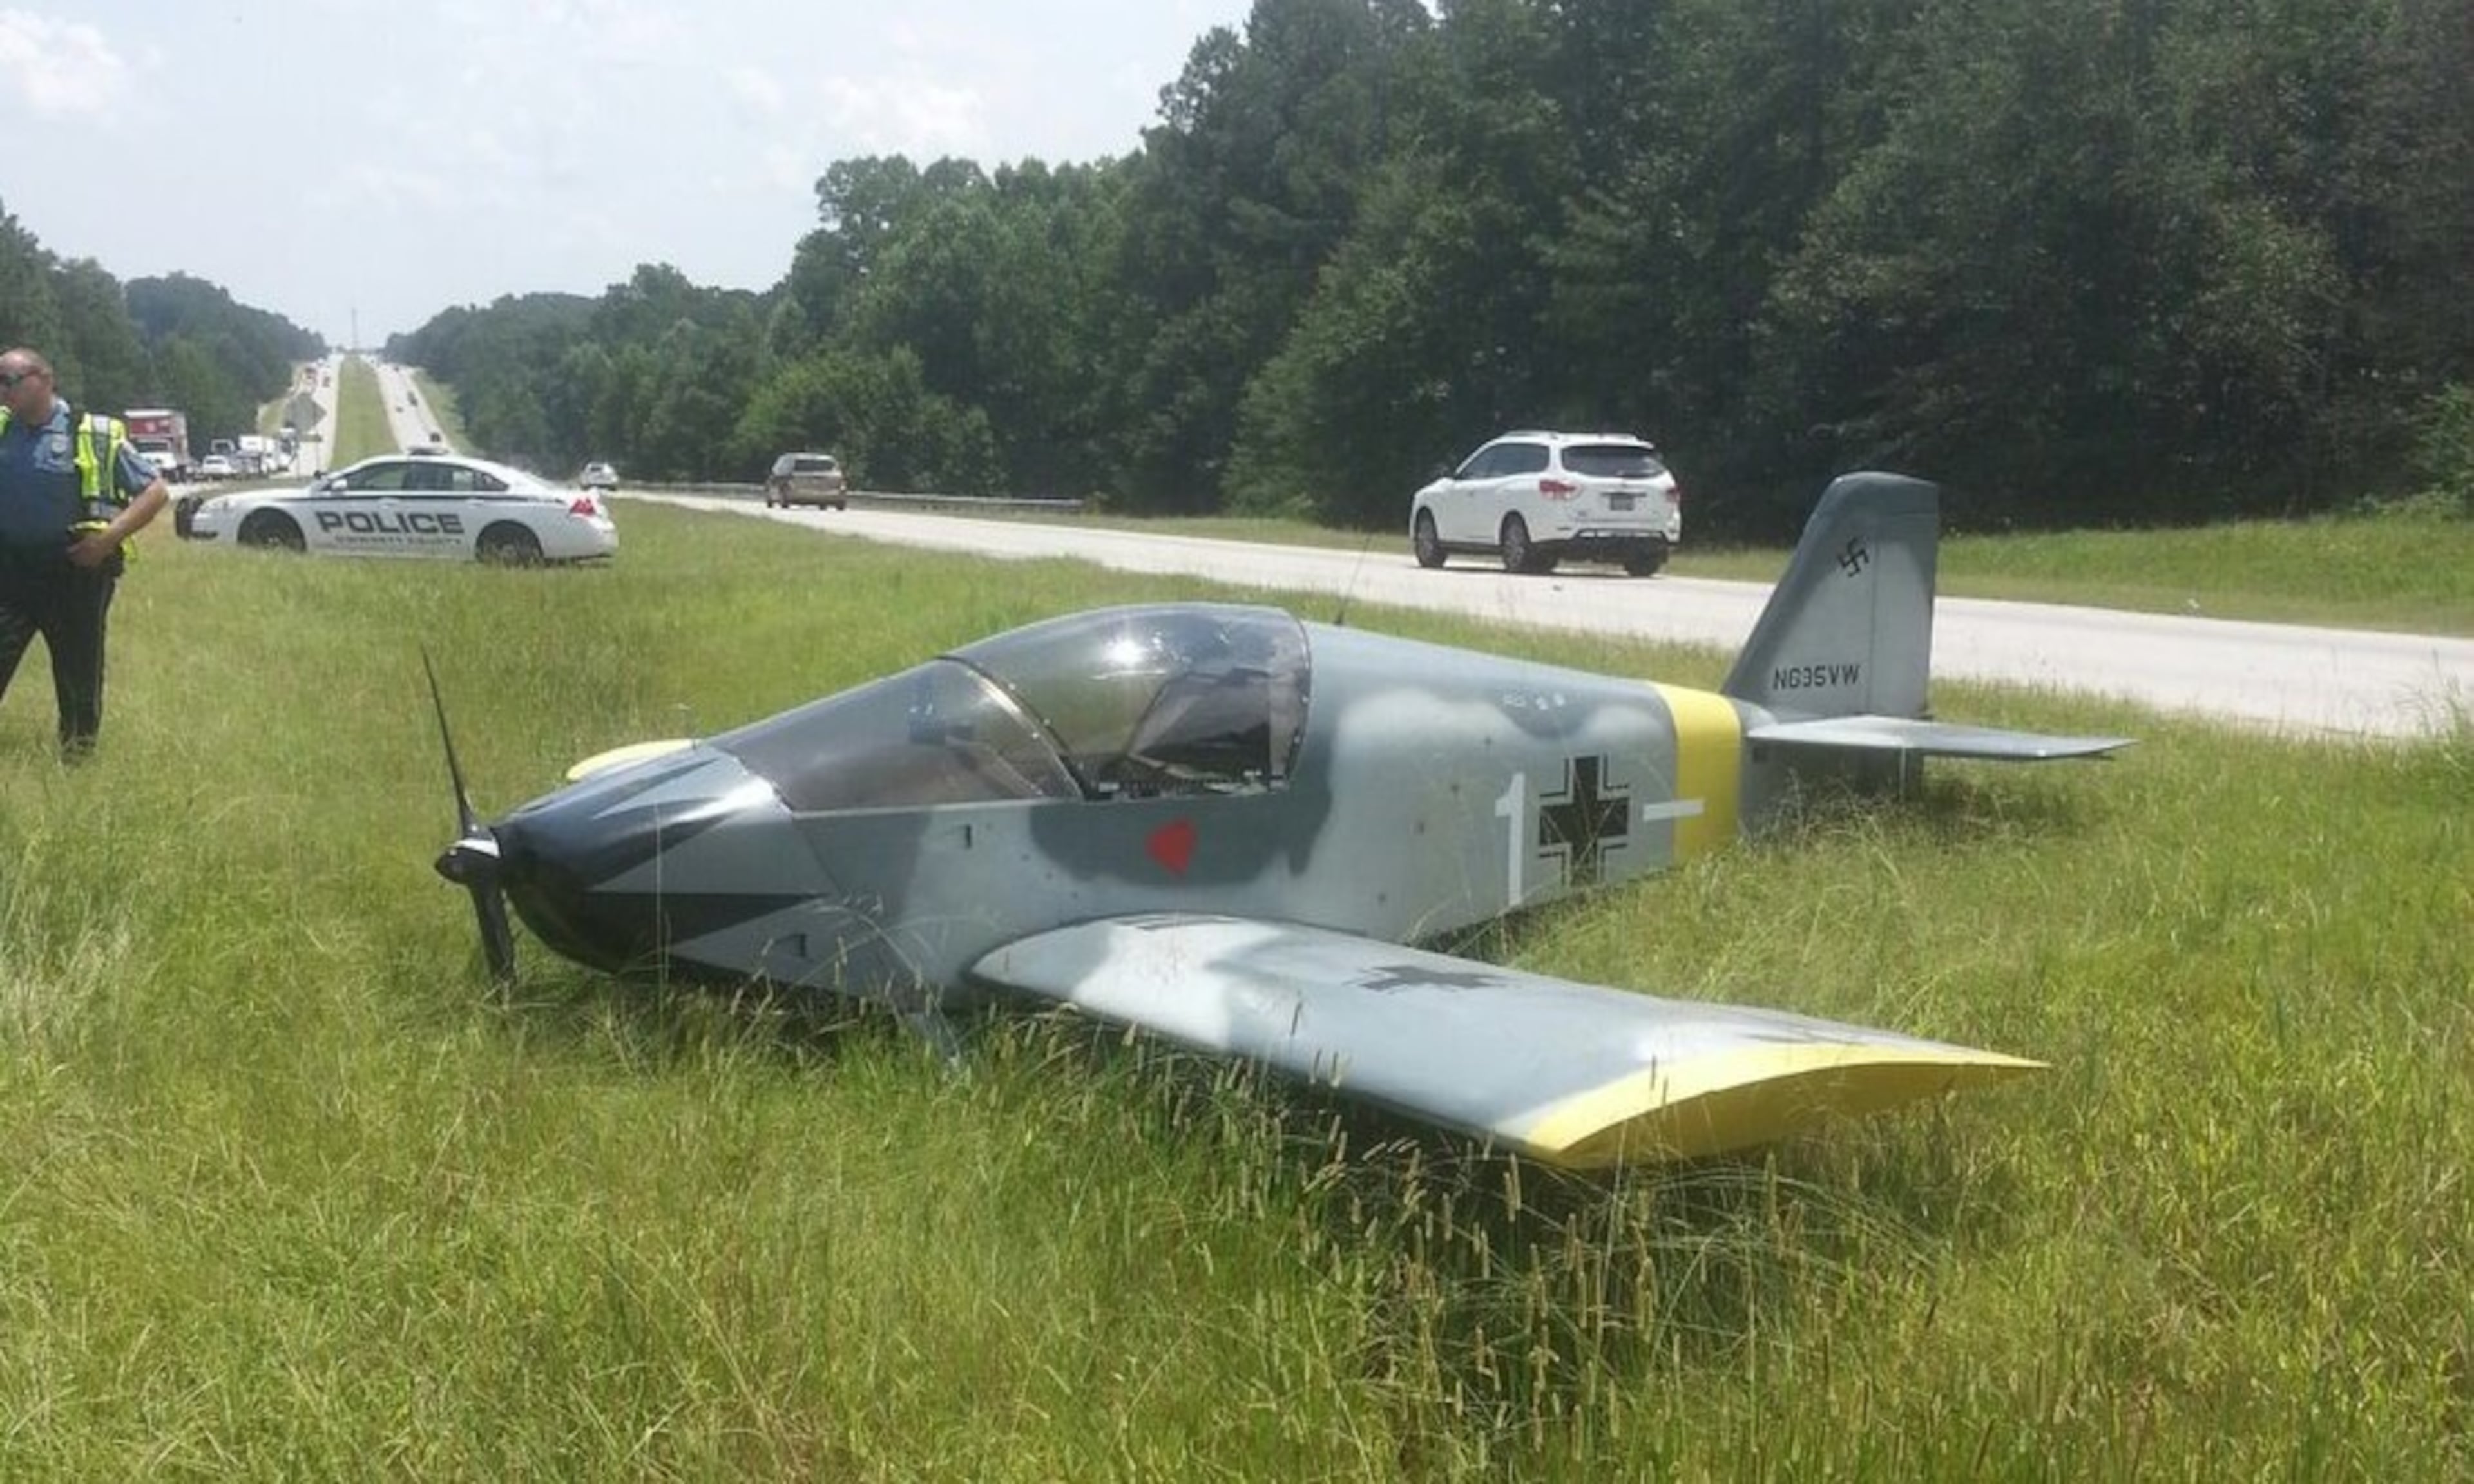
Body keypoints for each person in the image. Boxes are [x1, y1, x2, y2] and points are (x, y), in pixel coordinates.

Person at [0, 347, 168, 758]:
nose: (2, 393)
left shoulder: (92, 433)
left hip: (74, 570)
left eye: (8, 382)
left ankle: (76, 764)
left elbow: (155, 491)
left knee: (79, 675)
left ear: (43, 379)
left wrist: (107, 540)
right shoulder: (3, 429)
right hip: (10, 570)